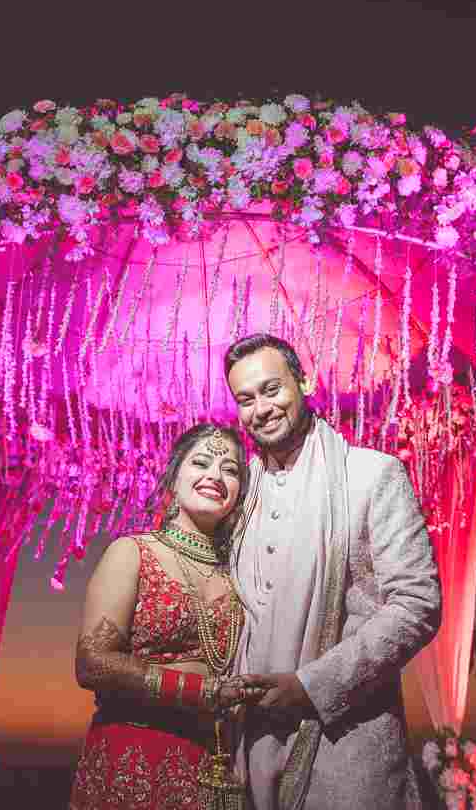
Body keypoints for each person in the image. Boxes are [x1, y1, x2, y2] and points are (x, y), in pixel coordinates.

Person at [226, 333, 441, 809]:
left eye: (271, 389)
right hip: (251, 747)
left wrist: (312, 686)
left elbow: (418, 604)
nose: (260, 409)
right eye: (245, 399)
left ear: (304, 381)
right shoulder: (239, 498)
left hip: (348, 751)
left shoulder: (371, 475)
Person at [70, 422, 262, 809]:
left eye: (230, 470)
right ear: (174, 477)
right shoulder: (133, 552)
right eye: (202, 463)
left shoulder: (241, 575)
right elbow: (92, 663)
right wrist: (205, 693)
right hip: (133, 757)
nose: (215, 476)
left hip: (214, 765)